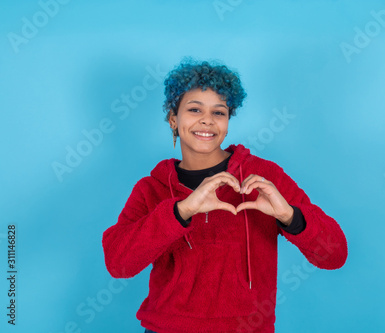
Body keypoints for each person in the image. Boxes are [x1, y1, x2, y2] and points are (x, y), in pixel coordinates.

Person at [102, 59, 348, 333]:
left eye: (219, 112)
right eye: (194, 109)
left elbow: (334, 254)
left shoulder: (264, 176)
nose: (207, 120)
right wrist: (180, 211)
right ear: (173, 118)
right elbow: (118, 263)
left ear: (228, 122)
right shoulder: (152, 188)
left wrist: (289, 216)